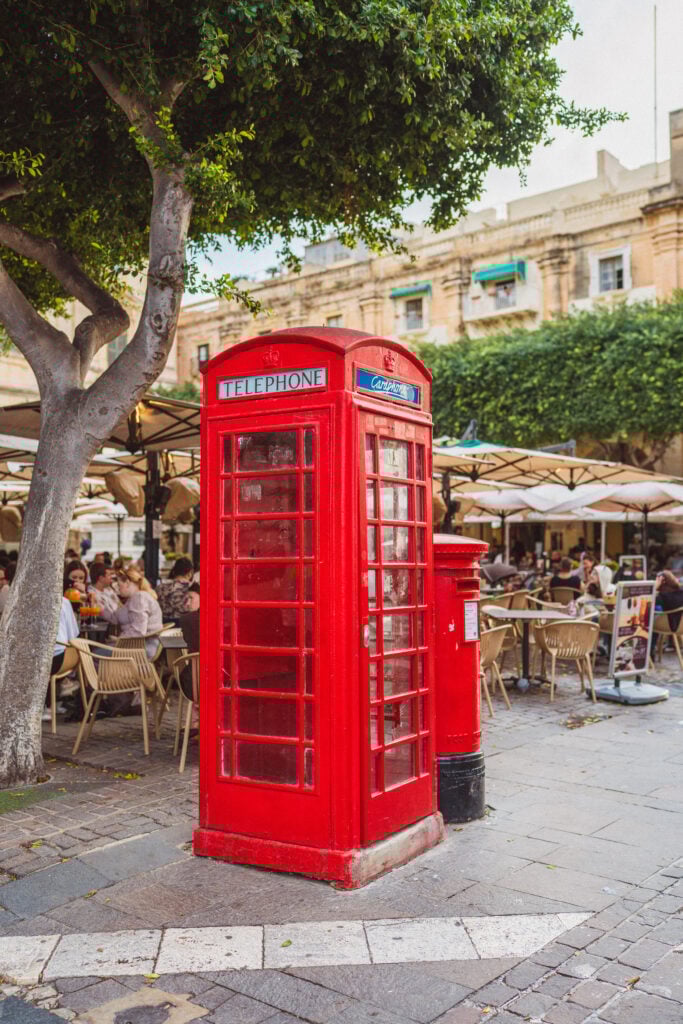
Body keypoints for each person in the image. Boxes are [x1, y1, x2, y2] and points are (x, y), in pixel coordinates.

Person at [101, 567, 162, 658]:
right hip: (138, 645)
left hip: (141, 648)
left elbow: (138, 631)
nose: (118, 589)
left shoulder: (139, 598)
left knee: (91, 654)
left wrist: (118, 640)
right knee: (97, 650)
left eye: (119, 585)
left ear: (127, 583)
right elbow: (115, 618)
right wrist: (99, 609)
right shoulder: (134, 598)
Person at [45, 596, 80, 721]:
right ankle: (56, 701)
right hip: (70, 656)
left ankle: (46, 707)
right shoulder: (64, 601)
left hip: (54, 659)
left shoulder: (32, 601)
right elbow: (74, 633)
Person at [178, 583, 200, 730]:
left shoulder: (188, 620)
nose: (187, 603)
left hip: (195, 684)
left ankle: (195, 724)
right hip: (222, 679)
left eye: (191, 598)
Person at [156, 557, 194, 625]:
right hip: (186, 626)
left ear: (174, 571)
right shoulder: (193, 588)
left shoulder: (159, 588)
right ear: (190, 573)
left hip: (164, 626)